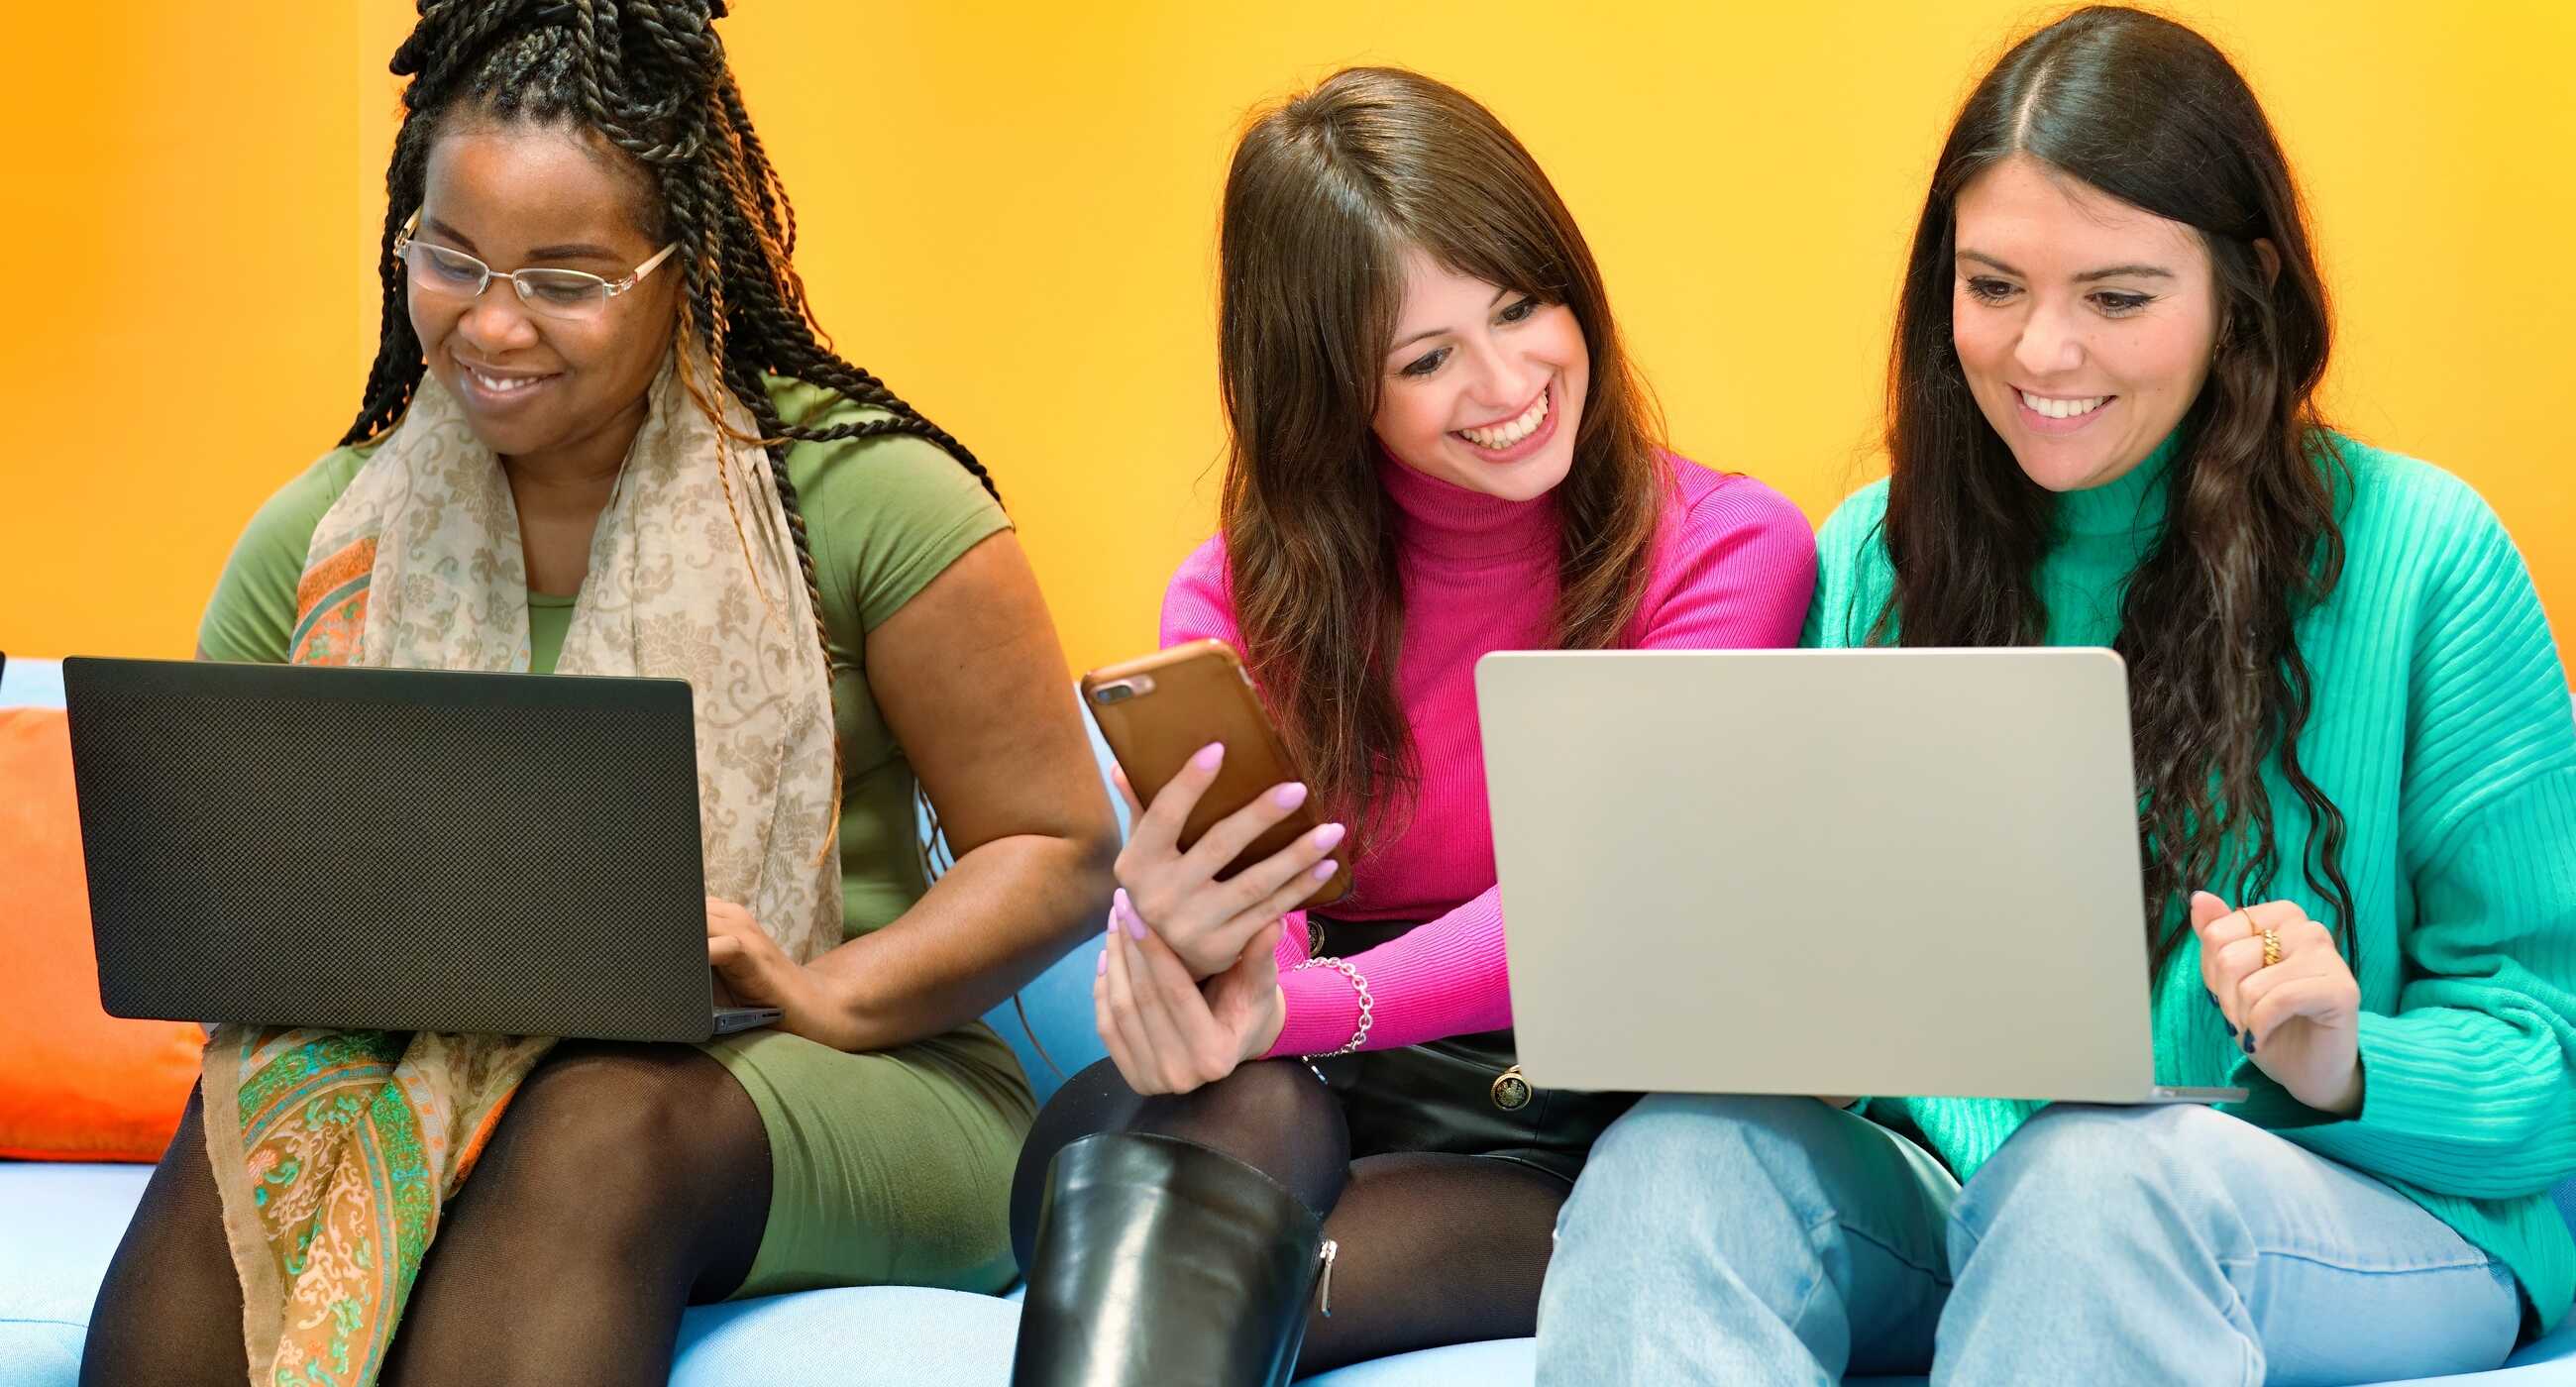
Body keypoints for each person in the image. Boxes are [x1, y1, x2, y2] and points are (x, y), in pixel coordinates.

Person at [79, 4, 1117, 1384]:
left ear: (679, 270)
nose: (494, 322)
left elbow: (1056, 848)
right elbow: (221, 898)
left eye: (567, 280)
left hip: (846, 1076)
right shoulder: (323, 540)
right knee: (238, 1162)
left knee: (591, 1116)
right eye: (449, 259)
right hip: (431, 1066)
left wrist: (816, 985)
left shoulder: (864, 500)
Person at [1537, 8, 2576, 1383]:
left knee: (2095, 1181)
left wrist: (2344, 1063)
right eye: (1994, 286)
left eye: (2119, 297)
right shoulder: (1872, 554)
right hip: (1972, 1205)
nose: (2042, 355)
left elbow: (2548, 1064)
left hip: (2359, 1216)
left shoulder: (2426, 553)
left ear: (2242, 289)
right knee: (1675, 1158)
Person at [1004, 66, 1817, 1386]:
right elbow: (1241, 969)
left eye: (1521, 307)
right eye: (1426, 360)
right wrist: (1163, 944)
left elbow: (1594, 904)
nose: (1507, 382)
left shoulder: (1725, 550)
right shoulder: (1233, 600)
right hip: (1315, 1099)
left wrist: (1289, 1008)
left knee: (1139, 1254)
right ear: (1333, 393)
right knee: (1140, 1153)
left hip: (1581, 1119)